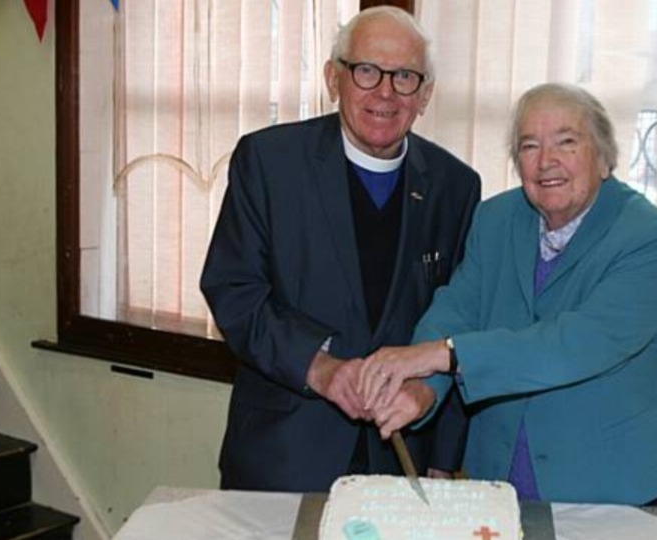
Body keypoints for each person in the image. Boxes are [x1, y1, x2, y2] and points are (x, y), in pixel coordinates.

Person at [359, 83, 657, 505]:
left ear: (605, 158)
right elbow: (458, 308)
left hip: (613, 484)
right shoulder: (495, 218)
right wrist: (424, 387)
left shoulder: (650, 238)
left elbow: (574, 344)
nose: (546, 161)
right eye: (529, 146)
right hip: (499, 478)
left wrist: (442, 355)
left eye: (566, 142)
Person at [200, 6, 480, 492]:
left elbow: (462, 317)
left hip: (402, 457)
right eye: (367, 71)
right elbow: (234, 291)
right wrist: (321, 369)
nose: (385, 92)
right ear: (334, 78)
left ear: (426, 95)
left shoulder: (455, 187)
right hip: (284, 451)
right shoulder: (268, 163)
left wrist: (445, 454)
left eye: (406, 77)